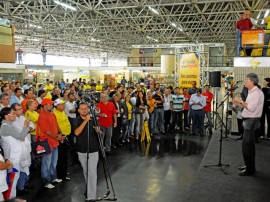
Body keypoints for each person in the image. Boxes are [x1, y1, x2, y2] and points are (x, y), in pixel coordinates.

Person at [233, 73, 264, 176]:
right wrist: (239, 103)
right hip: (249, 120)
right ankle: (249, 166)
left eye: (246, 80)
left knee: (247, 146)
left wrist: (241, 101)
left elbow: (251, 108)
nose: (245, 82)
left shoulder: (256, 93)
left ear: (252, 81)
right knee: (248, 145)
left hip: (251, 121)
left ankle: (250, 170)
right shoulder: (251, 92)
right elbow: (248, 106)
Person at [0, 107, 30, 198]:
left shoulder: (9, 125)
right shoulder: (6, 127)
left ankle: (12, 197)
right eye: (12, 113)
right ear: (6, 116)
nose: (15, 115)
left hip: (14, 156)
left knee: (14, 179)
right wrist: (25, 125)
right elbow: (21, 137)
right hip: (12, 157)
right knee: (12, 181)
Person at [74, 103, 99, 202]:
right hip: (82, 150)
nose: (84, 110)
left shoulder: (94, 119)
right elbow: (76, 132)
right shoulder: (76, 120)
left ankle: (91, 196)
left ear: (88, 109)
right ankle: (89, 189)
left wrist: (98, 130)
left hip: (93, 149)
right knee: (86, 172)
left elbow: (99, 131)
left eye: (86, 109)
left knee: (92, 173)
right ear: (79, 110)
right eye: (82, 109)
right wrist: (85, 121)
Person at [37, 98, 65, 189]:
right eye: (49, 104)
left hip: (54, 142)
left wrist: (60, 134)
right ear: (44, 106)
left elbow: (57, 126)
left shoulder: (52, 114)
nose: (51, 106)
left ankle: (53, 178)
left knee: (54, 162)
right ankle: (46, 181)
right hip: (46, 143)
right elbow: (47, 132)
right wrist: (58, 137)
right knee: (46, 163)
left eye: (51, 104)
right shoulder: (42, 116)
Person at [53, 98, 71, 181]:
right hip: (60, 138)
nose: (63, 105)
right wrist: (59, 135)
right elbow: (55, 126)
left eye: (64, 104)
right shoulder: (54, 114)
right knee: (61, 157)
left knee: (65, 157)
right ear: (57, 106)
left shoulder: (62, 112)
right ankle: (60, 175)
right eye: (61, 104)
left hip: (66, 136)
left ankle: (63, 174)